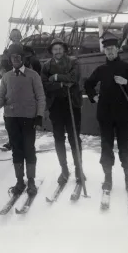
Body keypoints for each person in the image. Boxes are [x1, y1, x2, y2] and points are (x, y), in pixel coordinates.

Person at [84, 37, 128, 192]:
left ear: (117, 49)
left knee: (125, 146)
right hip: (105, 115)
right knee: (106, 146)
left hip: (123, 114)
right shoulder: (101, 70)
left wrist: (125, 82)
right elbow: (88, 84)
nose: (110, 51)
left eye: (112, 48)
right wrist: (93, 96)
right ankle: (107, 178)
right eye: (107, 49)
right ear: (105, 52)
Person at [0, 44, 45, 196]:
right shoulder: (6, 77)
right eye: (13, 57)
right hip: (11, 119)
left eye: (18, 56)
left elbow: (40, 97)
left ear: (23, 58)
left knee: (29, 149)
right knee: (17, 150)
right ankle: (20, 181)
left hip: (29, 119)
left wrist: (39, 115)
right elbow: (1, 96)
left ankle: (31, 181)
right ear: (10, 59)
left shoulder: (33, 75)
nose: (15, 59)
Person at [41, 38, 84, 186]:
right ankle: (64, 169)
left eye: (60, 49)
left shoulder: (74, 62)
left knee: (74, 138)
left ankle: (79, 169)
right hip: (56, 107)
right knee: (59, 139)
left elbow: (74, 78)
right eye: (55, 49)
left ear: (64, 49)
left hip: (72, 104)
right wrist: (61, 84)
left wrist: (57, 77)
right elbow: (45, 84)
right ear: (52, 51)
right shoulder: (46, 66)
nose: (57, 51)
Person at [0, 29, 42, 150]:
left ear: (20, 37)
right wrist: (3, 72)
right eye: (13, 36)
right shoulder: (6, 53)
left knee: (28, 117)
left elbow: (36, 65)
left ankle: (28, 144)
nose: (16, 37)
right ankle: (12, 141)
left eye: (17, 36)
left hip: (27, 84)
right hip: (11, 86)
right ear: (11, 38)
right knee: (10, 118)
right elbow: (0, 70)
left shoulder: (28, 51)